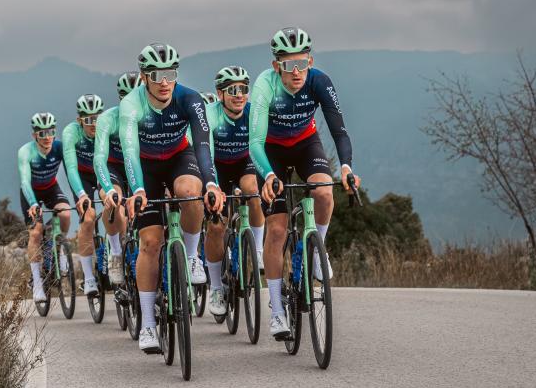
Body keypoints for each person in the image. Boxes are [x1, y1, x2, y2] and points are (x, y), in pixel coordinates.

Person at [248, 28, 361, 340]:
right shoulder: (263, 87)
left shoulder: (319, 80)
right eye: (288, 66)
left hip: (306, 142)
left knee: (324, 192)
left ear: (310, 61)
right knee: (277, 229)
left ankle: (316, 253)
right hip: (270, 150)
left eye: (302, 64)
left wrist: (347, 167)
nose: (296, 72)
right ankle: (275, 310)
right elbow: (254, 142)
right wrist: (269, 175)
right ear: (276, 67)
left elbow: (339, 129)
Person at [120, 43, 225, 352]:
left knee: (191, 193)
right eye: (156, 75)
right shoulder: (131, 105)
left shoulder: (190, 99)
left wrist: (212, 184)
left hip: (181, 158)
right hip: (146, 168)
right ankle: (149, 325)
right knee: (150, 243)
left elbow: (204, 146)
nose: (165, 81)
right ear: (144, 77)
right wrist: (137, 189)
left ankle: (191, 257)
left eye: (171, 73)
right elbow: (129, 151)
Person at [201, 66, 266, 315]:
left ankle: (257, 249)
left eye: (244, 89)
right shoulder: (211, 115)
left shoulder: (254, 113)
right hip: (217, 167)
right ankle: (216, 286)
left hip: (245, 163)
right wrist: (213, 186)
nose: (239, 95)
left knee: (253, 190)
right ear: (220, 94)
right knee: (217, 226)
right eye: (233, 90)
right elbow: (207, 153)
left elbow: (263, 146)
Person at [18, 112, 71, 302]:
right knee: (35, 232)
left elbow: (71, 170)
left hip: (50, 188)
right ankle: (38, 283)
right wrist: (33, 203)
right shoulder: (26, 151)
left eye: (50, 132)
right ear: (34, 135)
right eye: (42, 133)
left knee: (65, 214)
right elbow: (24, 181)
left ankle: (59, 246)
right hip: (30, 192)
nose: (47, 137)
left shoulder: (59, 148)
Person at [94, 72, 139, 285]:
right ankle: (116, 252)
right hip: (114, 168)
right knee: (113, 201)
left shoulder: (151, 116)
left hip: (140, 166)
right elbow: (99, 159)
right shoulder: (108, 119)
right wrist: (107, 189)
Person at [61, 94, 106, 297]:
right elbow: (70, 168)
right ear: (80, 120)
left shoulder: (106, 128)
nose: (93, 124)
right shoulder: (71, 133)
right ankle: (88, 279)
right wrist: (81, 195)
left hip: (103, 171)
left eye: (97, 118)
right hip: (82, 176)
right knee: (88, 218)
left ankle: (115, 256)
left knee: (115, 207)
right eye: (88, 120)